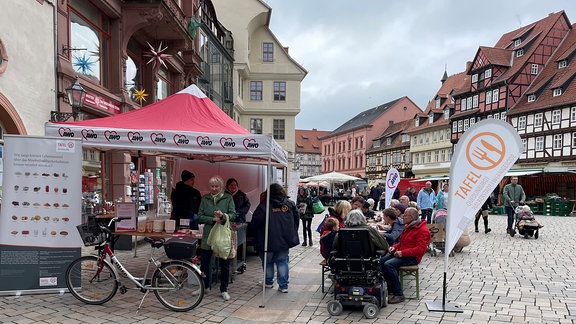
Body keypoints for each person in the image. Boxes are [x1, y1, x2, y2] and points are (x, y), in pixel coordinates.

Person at [251, 183, 300, 293]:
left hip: (267, 240)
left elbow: (256, 221)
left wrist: (253, 233)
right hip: (284, 239)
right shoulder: (290, 204)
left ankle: (268, 282)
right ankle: (283, 286)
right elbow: (297, 220)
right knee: (282, 261)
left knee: (268, 262)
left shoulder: (264, 205)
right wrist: (291, 232)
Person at [379, 207, 430, 304]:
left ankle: (399, 294)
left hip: (412, 257)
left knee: (388, 264)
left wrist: (403, 253)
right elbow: (402, 242)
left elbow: (420, 250)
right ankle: (390, 288)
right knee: (382, 260)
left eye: (405, 215)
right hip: (402, 253)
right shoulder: (409, 226)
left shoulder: (422, 230)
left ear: (411, 217)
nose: (402, 217)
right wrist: (394, 247)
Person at [198, 176, 236, 301]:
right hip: (208, 234)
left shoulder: (228, 198)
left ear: (221, 187)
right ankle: (205, 286)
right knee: (205, 262)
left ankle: (224, 289)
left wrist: (223, 216)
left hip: (222, 235)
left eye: (216, 186)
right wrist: (211, 219)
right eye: (212, 186)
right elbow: (200, 215)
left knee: (224, 262)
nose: (214, 189)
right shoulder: (205, 198)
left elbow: (233, 214)